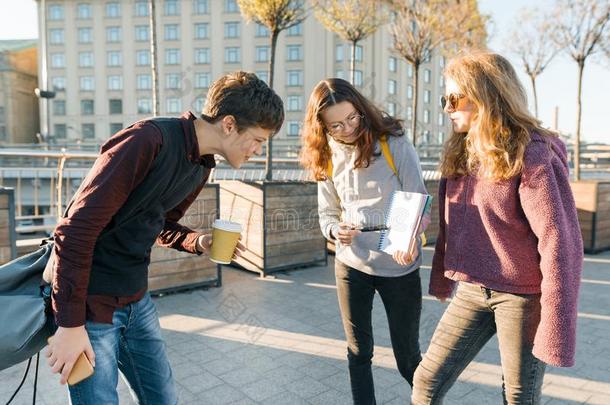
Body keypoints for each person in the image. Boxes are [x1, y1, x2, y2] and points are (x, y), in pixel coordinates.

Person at [45, 71, 284, 404]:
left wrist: (198, 242)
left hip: (136, 300)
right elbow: (74, 230)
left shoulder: (202, 164)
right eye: (258, 139)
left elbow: (160, 223)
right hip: (90, 307)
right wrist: (69, 326)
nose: (258, 149)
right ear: (229, 124)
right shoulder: (147, 140)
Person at [411, 52, 583, 405]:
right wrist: (443, 275)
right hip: (473, 290)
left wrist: (555, 325)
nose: (447, 107)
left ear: (486, 94)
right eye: (445, 99)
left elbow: (559, 242)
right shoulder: (462, 151)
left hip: (522, 297)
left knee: (518, 397)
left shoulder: (531, 153)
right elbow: (452, 224)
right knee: (426, 381)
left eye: (454, 98)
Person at [300, 78, 429, 404]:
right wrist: (334, 231)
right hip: (350, 261)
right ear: (322, 128)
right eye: (336, 125)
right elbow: (327, 213)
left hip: (396, 262)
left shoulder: (392, 142)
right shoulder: (327, 154)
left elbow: (415, 196)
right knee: (358, 353)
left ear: (361, 108)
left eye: (353, 118)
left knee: (407, 358)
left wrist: (405, 239)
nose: (347, 128)